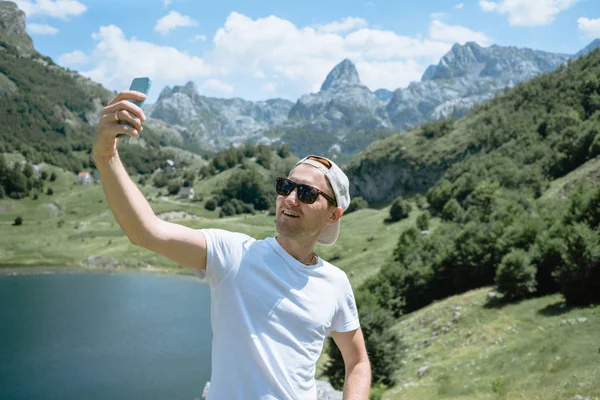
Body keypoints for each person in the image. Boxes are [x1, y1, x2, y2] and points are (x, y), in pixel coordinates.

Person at [92, 89, 371, 399]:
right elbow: (146, 231)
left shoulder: (335, 283)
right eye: (286, 186)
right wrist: (106, 156)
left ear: (333, 215)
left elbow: (357, 361)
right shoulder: (234, 255)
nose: (290, 198)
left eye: (306, 194)